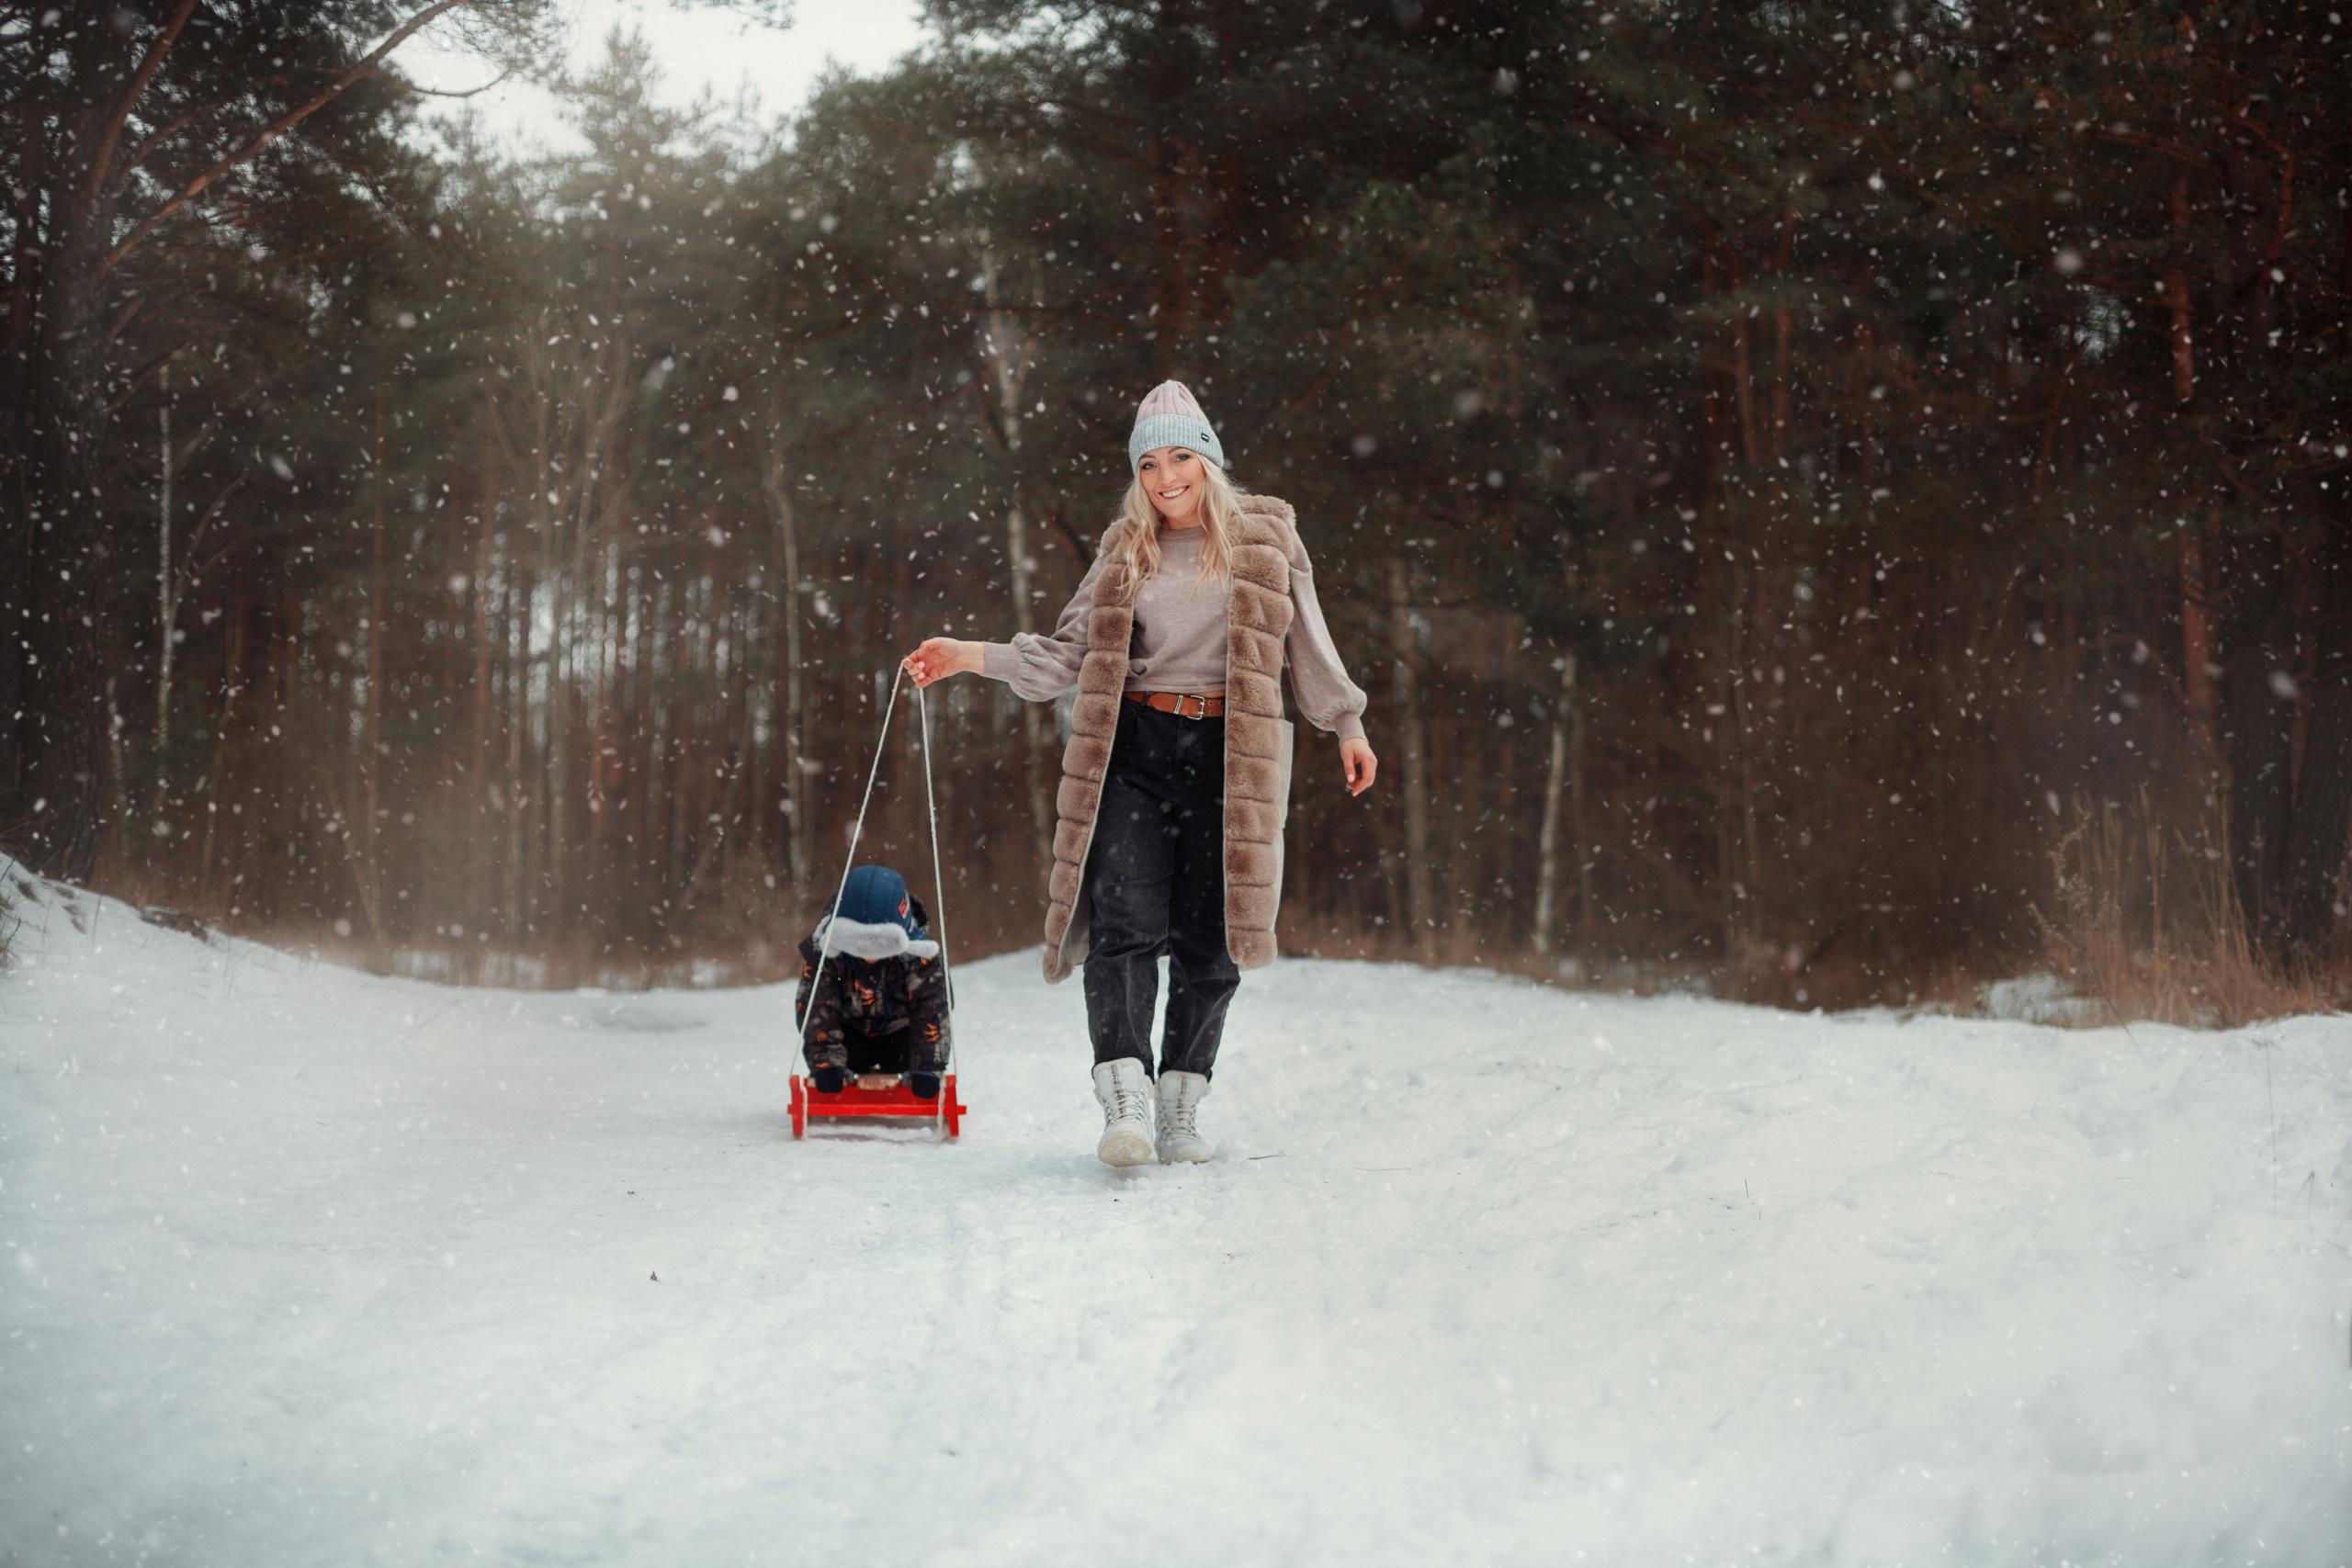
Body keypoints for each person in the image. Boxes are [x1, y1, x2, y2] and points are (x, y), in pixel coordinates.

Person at [905, 380, 1376, 1166]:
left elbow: (1309, 645)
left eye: (1181, 458)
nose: (1166, 478)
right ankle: (1124, 1096)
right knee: (1123, 926)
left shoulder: (1267, 540)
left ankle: (1180, 1103)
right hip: (1136, 750)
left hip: (1233, 756)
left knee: (1212, 939)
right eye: (1150, 463)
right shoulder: (1125, 550)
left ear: (1209, 462)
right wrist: (967, 656)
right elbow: (1064, 655)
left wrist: (1347, 723)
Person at [796, 863, 950, 1100]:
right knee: (838, 1046)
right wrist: (826, 1064)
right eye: (859, 946)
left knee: (909, 1048)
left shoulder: (919, 957)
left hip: (900, 1036)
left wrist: (928, 1067)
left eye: (881, 946)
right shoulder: (828, 954)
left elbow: (932, 1009)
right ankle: (836, 1064)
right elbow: (817, 1007)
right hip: (850, 1036)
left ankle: (916, 1066)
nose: (871, 956)